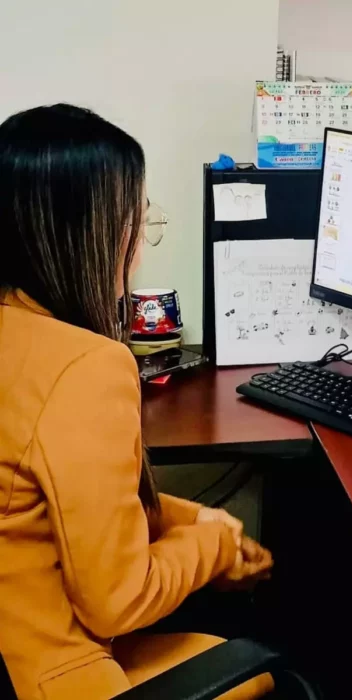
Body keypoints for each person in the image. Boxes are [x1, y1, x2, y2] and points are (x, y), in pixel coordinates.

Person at [0, 104, 274, 700]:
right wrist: (217, 546)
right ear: (92, 234)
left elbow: (61, 511)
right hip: (55, 675)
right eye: (137, 222)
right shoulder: (85, 367)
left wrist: (192, 519)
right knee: (262, 667)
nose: (139, 248)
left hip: (16, 642)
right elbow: (120, 599)